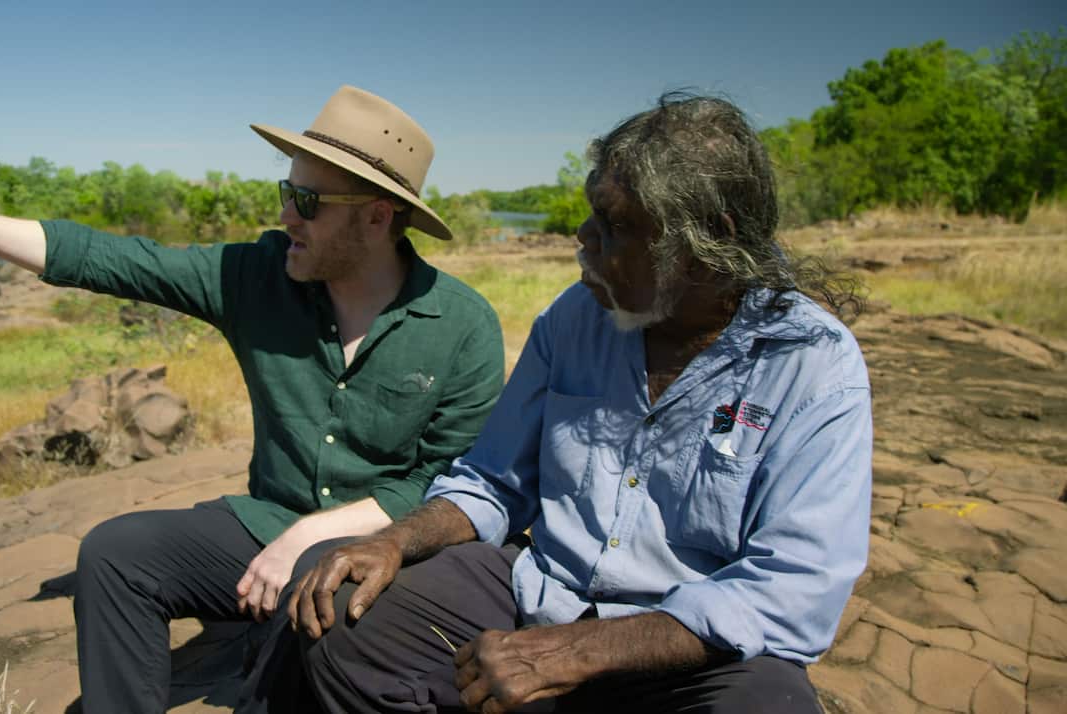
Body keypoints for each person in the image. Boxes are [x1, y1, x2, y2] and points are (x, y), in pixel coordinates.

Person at [0, 85, 506, 714]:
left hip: (372, 546)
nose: (283, 214)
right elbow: (103, 257)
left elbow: (451, 486)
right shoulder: (253, 277)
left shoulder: (462, 325)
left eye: (307, 201)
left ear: (379, 217)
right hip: (260, 522)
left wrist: (310, 534)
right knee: (116, 553)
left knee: (316, 598)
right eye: (285, 191)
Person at [279, 93, 872, 713]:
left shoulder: (811, 364)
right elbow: (491, 481)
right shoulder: (574, 317)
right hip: (544, 595)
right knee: (346, 606)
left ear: (705, 247)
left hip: (687, 649)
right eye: (592, 215)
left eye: (614, 226)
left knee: (769, 704)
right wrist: (396, 540)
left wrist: (578, 652)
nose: (582, 238)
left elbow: (795, 589)